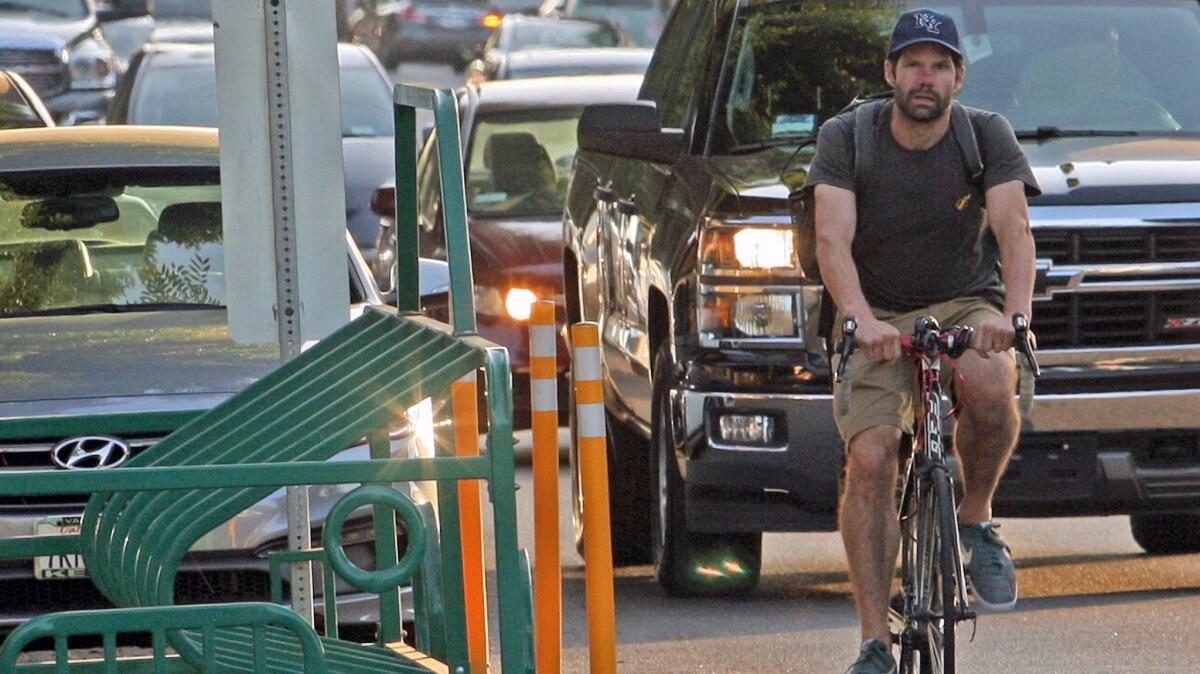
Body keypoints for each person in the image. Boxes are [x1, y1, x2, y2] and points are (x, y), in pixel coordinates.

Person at [802, 9, 1041, 674]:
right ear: (890, 73)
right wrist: (859, 320)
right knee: (874, 457)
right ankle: (875, 641)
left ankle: (974, 518)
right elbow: (831, 238)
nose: (925, 77)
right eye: (912, 64)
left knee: (992, 381)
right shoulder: (848, 138)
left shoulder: (984, 134)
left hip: (965, 299)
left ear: (959, 77)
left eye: (939, 65)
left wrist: (1013, 318)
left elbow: (1014, 228)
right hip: (875, 309)